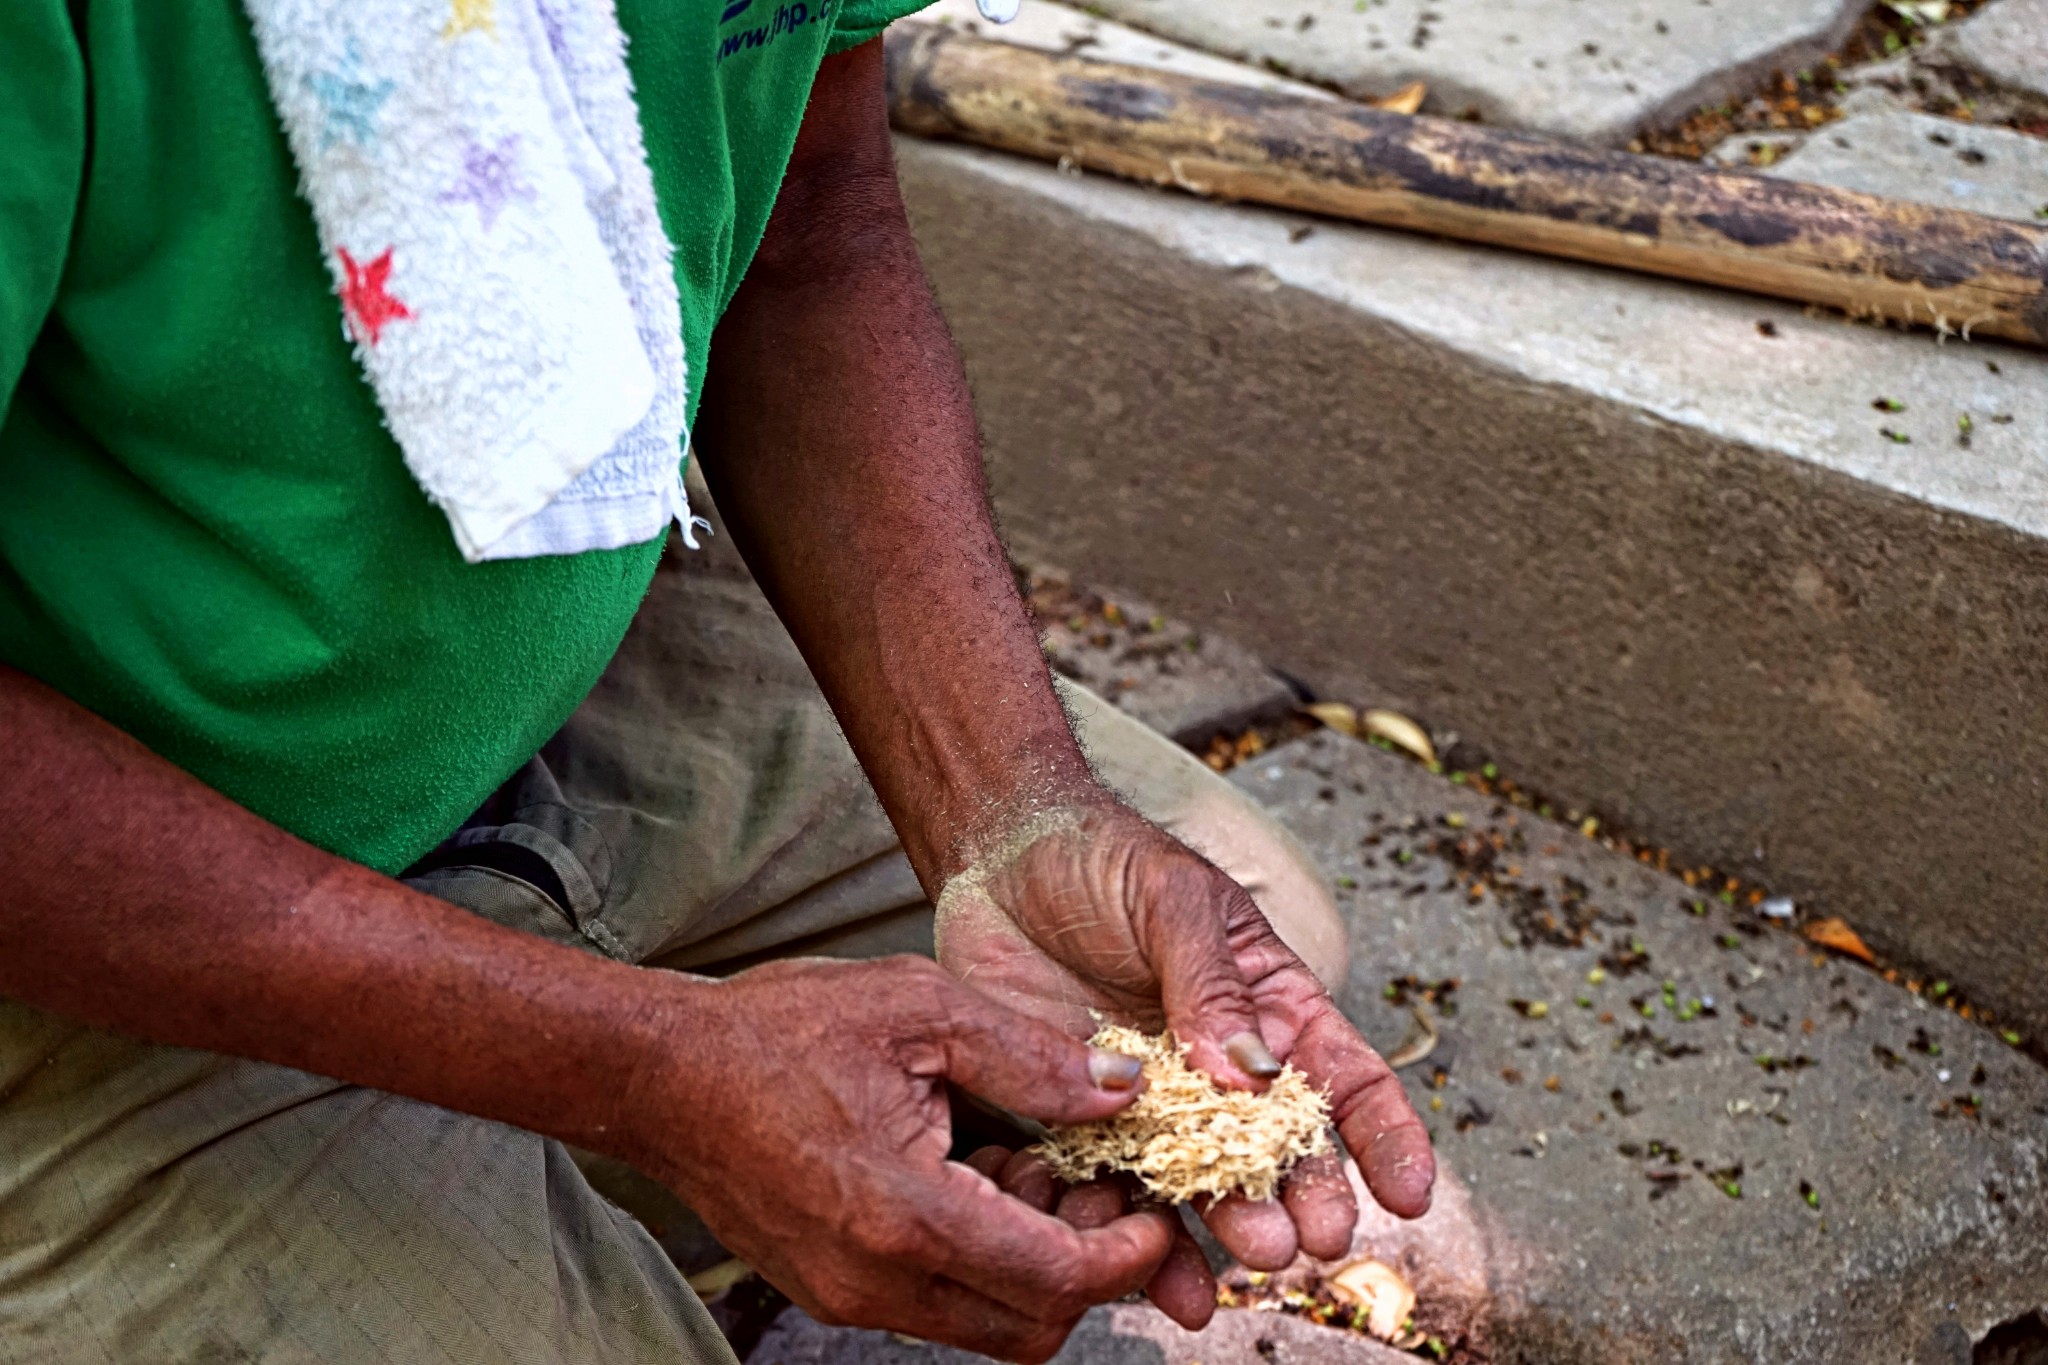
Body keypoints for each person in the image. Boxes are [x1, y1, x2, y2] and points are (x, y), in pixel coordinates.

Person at [0, 2, 1434, 1362]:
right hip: (83, 884)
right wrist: (645, 1070)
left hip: (519, 700)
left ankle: (513, 1112)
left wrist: (1012, 817)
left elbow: (814, 220)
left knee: (1238, 944)